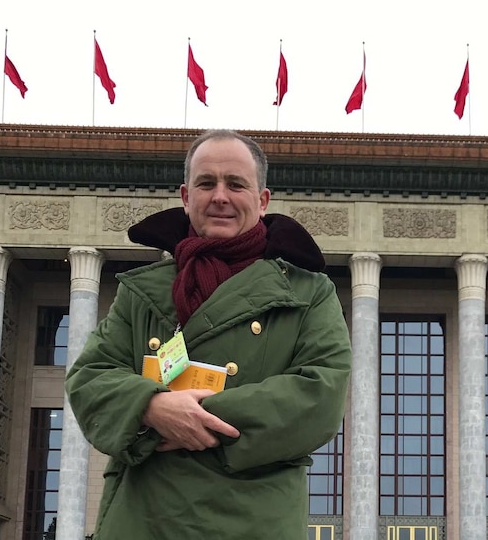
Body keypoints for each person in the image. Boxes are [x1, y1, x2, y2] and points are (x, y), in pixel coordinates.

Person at [66, 129, 352, 539]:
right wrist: (150, 407)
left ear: (262, 200)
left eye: (235, 184)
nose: (220, 196)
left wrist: (194, 418)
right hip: (144, 518)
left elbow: (320, 394)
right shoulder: (143, 291)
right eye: (206, 183)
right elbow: (90, 377)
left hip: (251, 518)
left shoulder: (308, 292)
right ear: (186, 197)